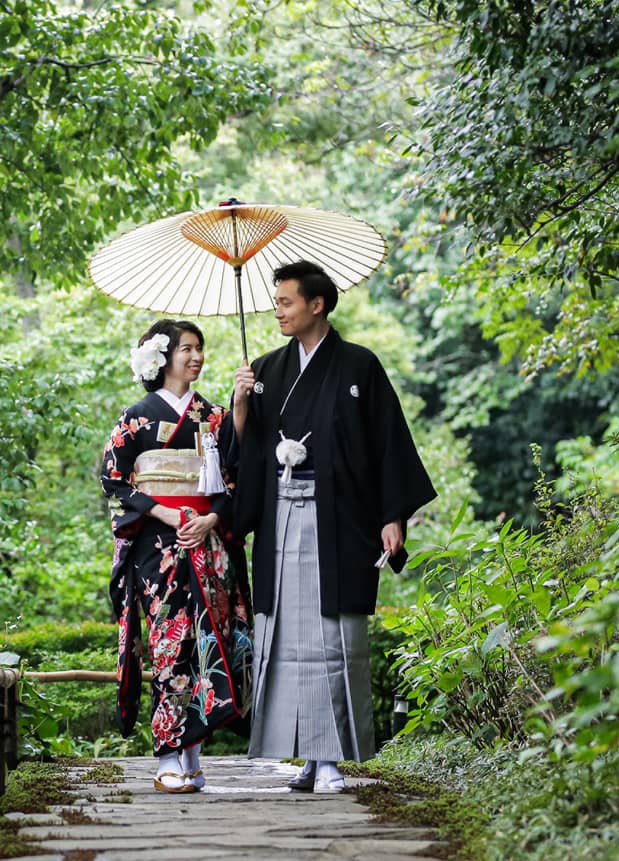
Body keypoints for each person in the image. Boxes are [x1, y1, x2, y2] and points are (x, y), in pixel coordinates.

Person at [228, 260, 436, 793]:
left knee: (331, 636)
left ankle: (332, 760)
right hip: (281, 518)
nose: (277, 310)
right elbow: (246, 452)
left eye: (286, 301)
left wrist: (393, 517)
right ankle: (305, 756)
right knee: (286, 639)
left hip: (337, 521)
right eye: (275, 302)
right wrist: (241, 406)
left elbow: (387, 444)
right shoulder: (267, 370)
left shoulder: (359, 367)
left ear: (317, 304)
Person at [100, 319, 252, 794]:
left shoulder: (216, 415)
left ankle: (193, 756)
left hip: (207, 542)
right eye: (187, 348)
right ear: (162, 357)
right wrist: (164, 512)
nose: (196, 357)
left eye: (200, 348)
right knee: (170, 643)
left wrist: (213, 518)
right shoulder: (137, 417)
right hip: (159, 548)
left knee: (209, 642)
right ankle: (167, 754)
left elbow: (238, 477)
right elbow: (113, 479)